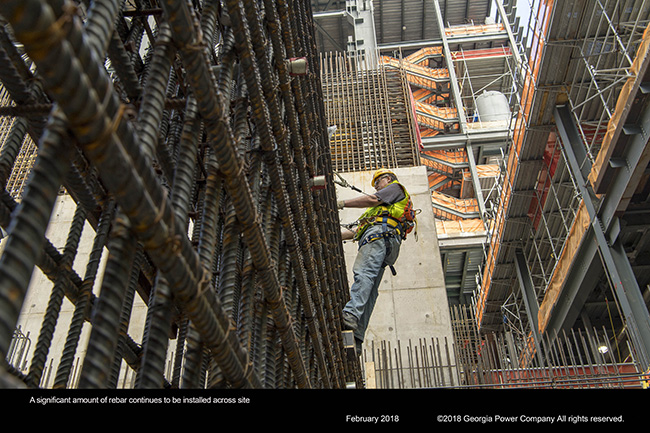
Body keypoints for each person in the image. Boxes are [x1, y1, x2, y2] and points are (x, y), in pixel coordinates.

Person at [336, 169, 415, 355]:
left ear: (387, 179)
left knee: (363, 274)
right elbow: (356, 232)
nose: (376, 187)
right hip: (385, 241)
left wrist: (341, 203)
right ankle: (357, 337)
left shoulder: (394, 189)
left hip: (379, 238)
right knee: (371, 289)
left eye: (378, 182)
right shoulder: (379, 213)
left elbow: (372, 199)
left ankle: (351, 314)